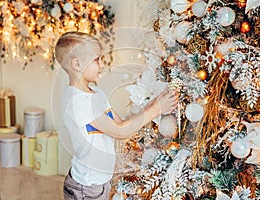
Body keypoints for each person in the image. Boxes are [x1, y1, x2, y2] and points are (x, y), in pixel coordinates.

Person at [54, 31, 177, 200]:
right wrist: (156, 109)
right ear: (77, 64)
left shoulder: (96, 93)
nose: (102, 64)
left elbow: (122, 124)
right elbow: (120, 131)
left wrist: (153, 104)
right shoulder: (77, 102)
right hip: (86, 187)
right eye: (97, 59)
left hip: (101, 182)